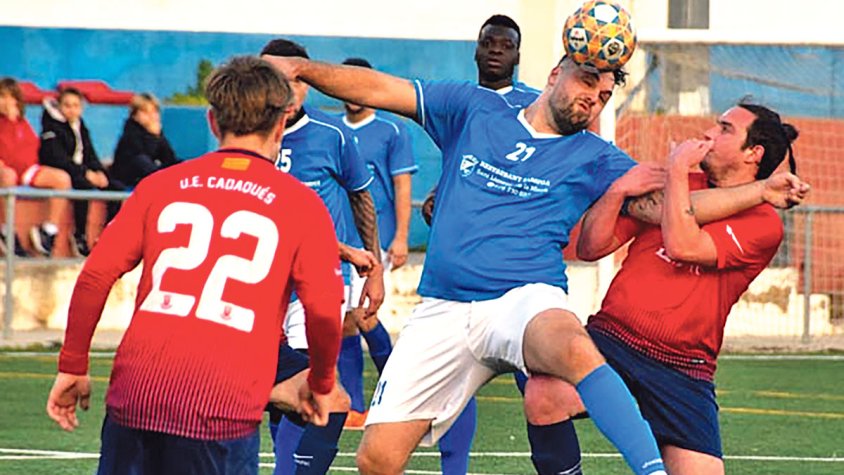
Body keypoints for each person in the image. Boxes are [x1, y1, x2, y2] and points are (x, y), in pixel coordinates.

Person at [262, 46, 680, 474]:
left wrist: (715, 186)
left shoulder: (598, 155)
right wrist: (301, 69)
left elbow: (666, 208)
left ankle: (653, 471)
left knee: (573, 347)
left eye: (605, 94)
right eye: (587, 82)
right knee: (376, 459)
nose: (594, 97)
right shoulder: (476, 108)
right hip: (443, 306)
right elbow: (383, 88)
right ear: (556, 74)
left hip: (523, 298)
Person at [45, 55, 344, 475]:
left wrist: (73, 365)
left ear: (211, 121)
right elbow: (325, 311)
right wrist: (322, 384)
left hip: (137, 393)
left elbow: (96, 274)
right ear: (281, 124)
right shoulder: (301, 205)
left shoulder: (160, 186)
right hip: (220, 406)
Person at [563, 102, 806, 474]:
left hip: (683, 368)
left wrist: (676, 168)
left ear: (753, 153)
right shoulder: (680, 185)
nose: (709, 134)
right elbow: (590, 248)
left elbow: (683, 245)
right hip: (613, 340)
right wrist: (617, 193)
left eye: (725, 129)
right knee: (544, 396)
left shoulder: (764, 224)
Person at [259, 39, 385, 475]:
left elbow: (361, 197)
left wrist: (373, 264)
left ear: (308, 82)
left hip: (317, 281)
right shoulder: (252, 140)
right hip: (260, 280)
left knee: (312, 384)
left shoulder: (334, 135)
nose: (288, 91)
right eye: (277, 81)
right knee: (285, 385)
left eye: (296, 81)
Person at [336, 56, 416, 432]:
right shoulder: (332, 131)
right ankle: (358, 405)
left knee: (360, 316)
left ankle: (396, 394)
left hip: (373, 238)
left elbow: (401, 185)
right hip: (338, 239)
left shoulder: (391, 131)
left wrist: (400, 237)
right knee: (347, 320)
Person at [39, 88, 127, 256]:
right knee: (83, 186)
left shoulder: (80, 125)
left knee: (116, 187)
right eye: (67, 105)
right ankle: (79, 234)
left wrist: (100, 172)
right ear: (59, 106)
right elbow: (57, 158)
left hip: (82, 169)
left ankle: (108, 236)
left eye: (75, 106)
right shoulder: (51, 127)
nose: (72, 110)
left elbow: (90, 153)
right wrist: (86, 172)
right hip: (64, 170)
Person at [0, 77, 73, 257]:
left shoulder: (22, 122)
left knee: (62, 179)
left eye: (11, 97)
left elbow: (30, 148)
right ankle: (6, 231)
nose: (7, 102)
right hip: (4, 169)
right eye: (2, 97)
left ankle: (48, 231)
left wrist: (14, 120)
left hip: (26, 169)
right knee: (7, 176)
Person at [111, 93, 179, 188]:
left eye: (155, 112)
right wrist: (154, 137)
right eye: (146, 112)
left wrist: (158, 137)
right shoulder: (130, 135)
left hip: (146, 180)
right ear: (135, 115)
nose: (152, 116)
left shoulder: (155, 133)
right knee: (142, 161)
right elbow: (142, 160)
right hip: (128, 182)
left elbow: (169, 159)